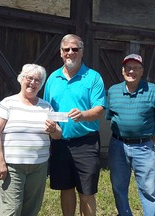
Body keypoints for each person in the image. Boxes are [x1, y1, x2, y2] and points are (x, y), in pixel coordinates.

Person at [43, 34, 107, 216]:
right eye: (66, 49)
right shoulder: (52, 78)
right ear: (61, 53)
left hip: (85, 143)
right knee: (66, 188)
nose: (70, 52)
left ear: (82, 52)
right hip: (60, 142)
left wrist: (83, 115)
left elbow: (100, 109)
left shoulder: (93, 77)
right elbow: (48, 110)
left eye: (75, 49)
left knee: (86, 192)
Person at [0, 63, 62, 216]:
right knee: (12, 210)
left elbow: (58, 135)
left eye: (38, 80)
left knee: (31, 210)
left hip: (38, 167)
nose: (33, 83)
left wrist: (53, 129)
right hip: (12, 167)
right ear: (21, 79)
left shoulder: (46, 106)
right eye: (29, 78)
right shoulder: (8, 103)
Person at [106, 54, 155, 216]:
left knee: (148, 189)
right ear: (122, 71)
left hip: (143, 146)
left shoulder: (153, 90)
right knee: (118, 186)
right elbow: (110, 118)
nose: (131, 71)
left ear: (142, 71)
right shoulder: (113, 91)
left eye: (135, 68)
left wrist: (152, 140)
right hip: (117, 146)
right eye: (128, 68)